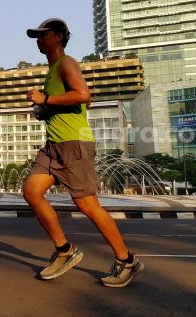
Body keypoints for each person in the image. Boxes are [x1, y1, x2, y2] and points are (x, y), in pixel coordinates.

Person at [23, 18, 143, 288]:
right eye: (36, 36)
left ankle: (127, 261)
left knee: (88, 205)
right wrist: (43, 110)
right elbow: (65, 103)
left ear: (58, 36)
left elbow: (83, 95)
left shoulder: (67, 63)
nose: (38, 40)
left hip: (74, 143)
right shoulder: (51, 70)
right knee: (31, 193)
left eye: (42, 35)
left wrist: (46, 100)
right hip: (53, 145)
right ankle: (65, 251)